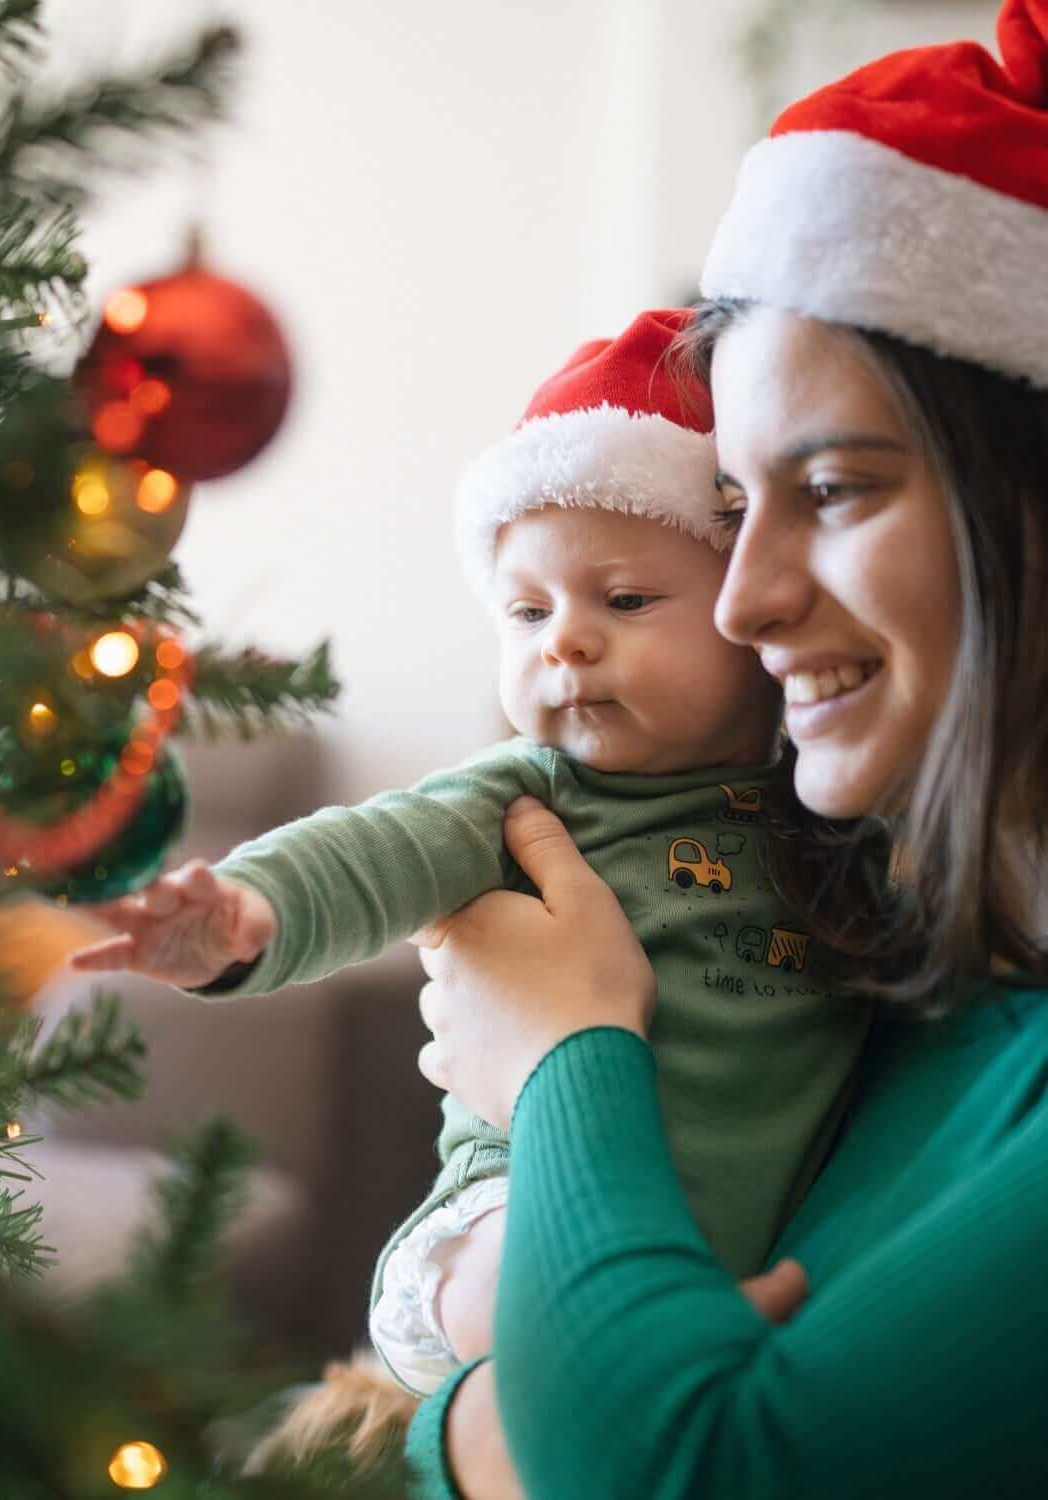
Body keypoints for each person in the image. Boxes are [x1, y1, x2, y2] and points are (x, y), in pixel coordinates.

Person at [405, 3, 1048, 1495]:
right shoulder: (884, 967)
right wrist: (487, 1391)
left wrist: (569, 1051)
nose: (749, 605)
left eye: (833, 489)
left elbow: (661, 1467)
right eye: (739, 510)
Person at [71, 309, 872, 1398]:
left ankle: (645, 1358)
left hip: (760, 1241)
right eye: (527, 610)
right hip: (517, 1205)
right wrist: (246, 913)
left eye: (625, 600)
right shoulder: (526, 795)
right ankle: (602, 1347)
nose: (565, 642)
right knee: (506, 1272)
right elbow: (368, 853)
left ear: (749, 611)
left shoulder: (827, 809)